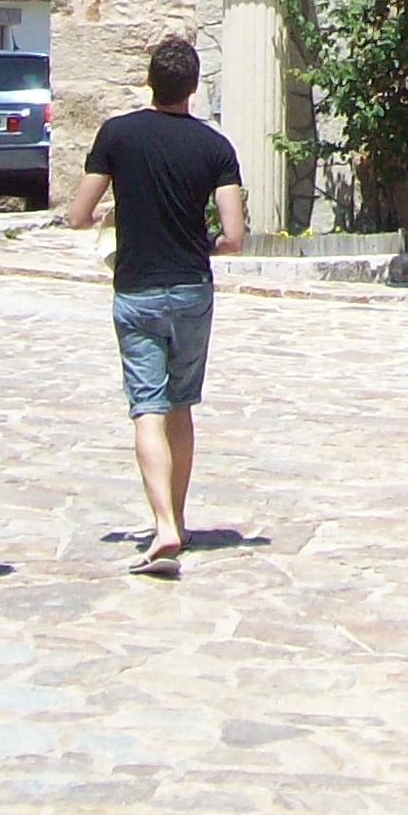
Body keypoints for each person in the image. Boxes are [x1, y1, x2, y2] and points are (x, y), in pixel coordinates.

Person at [65, 35, 246, 578]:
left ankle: (161, 521)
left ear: (150, 80)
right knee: (181, 405)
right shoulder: (215, 148)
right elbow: (234, 235)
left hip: (137, 287)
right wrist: (205, 243)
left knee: (146, 405)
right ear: (193, 87)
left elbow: (78, 214)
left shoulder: (117, 136)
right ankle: (181, 518)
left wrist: (109, 222)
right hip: (191, 286)